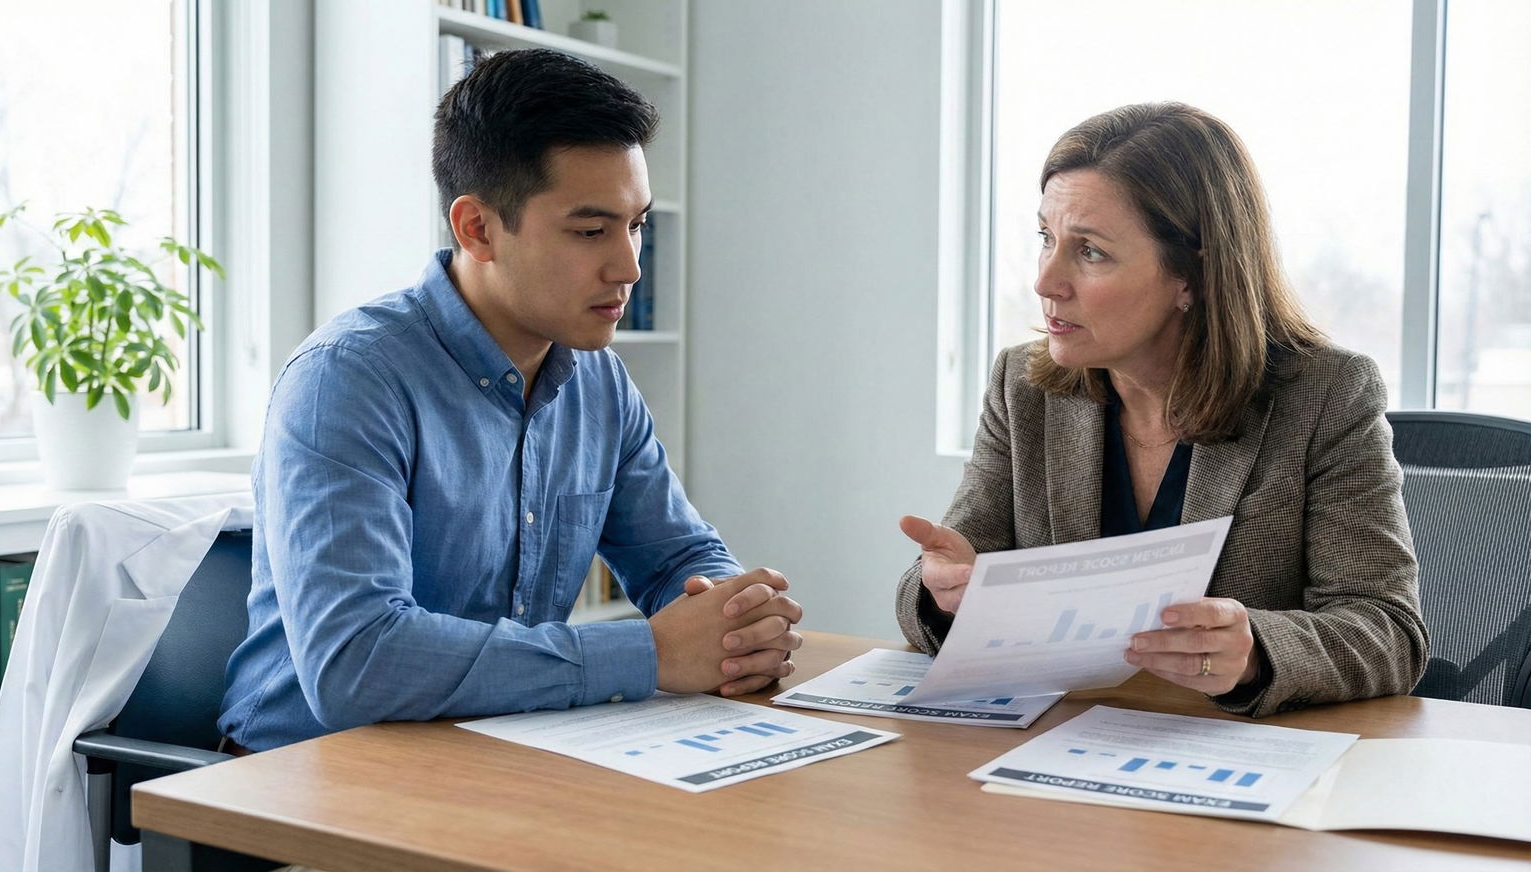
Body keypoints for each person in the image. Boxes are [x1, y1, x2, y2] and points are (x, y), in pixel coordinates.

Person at [221, 49, 802, 752]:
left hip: (493, 754)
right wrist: (649, 654)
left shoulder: (599, 380)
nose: (628, 267)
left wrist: (736, 621)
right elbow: (358, 662)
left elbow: (677, 554)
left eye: (636, 224)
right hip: (297, 780)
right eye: (591, 231)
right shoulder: (347, 380)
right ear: (478, 230)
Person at [896, 103, 1427, 717]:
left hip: (1231, 755)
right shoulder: (1025, 386)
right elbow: (949, 571)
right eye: (1046, 238)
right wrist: (945, 593)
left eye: (1090, 251)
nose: (1046, 281)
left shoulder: (1327, 394)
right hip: (1060, 742)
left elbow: (1389, 632)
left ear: (1192, 276)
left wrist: (1256, 652)